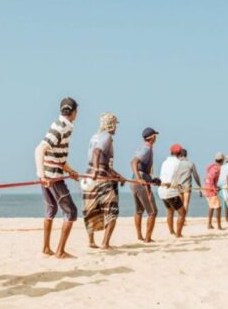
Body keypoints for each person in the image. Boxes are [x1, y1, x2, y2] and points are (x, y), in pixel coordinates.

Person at [34, 97, 80, 258]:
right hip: (52, 177)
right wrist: (42, 175)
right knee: (71, 212)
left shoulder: (60, 125)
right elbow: (40, 149)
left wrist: (70, 170)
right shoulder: (62, 127)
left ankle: (46, 248)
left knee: (51, 209)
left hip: (50, 174)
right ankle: (60, 251)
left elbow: (56, 155)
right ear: (74, 112)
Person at [82, 112, 125, 249]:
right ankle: (105, 243)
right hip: (99, 175)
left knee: (91, 208)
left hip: (88, 175)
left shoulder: (94, 136)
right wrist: (96, 170)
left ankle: (91, 242)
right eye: (115, 125)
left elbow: (104, 163)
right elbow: (97, 153)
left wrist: (118, 177)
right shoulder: (107, 137)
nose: (116, 128)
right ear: (110, 125)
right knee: (112, 209)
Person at [130, 127, 160, 243]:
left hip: (136, 180)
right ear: (152, 137)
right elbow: (134, 162)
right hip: (139, 180)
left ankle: (139, 236)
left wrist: (152, 180)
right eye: (155, 136)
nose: (156, 138)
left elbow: (139, 166)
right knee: (153, 211)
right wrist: (139, 178)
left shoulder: (142, 147)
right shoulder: (147, 148)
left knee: (139, 211)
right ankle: (147, 238)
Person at [157, 144, 188, 238]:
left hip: (161, 191)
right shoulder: (178, 163)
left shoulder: (165, 162)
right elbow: (175, 177)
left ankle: (171, 232)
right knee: (182, 213)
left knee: (170, 211)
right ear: (179, 153)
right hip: (170, 190)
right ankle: (178, 234)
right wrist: (181, 188)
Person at [171, 148, 202, 220]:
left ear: (179, 155)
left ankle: (179, 217)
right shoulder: (190, 163)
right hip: (187, 186)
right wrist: (199, 185)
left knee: (180, 204)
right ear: (186, 155)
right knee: (185, 203)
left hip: (178, 185)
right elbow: (195, 175)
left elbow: (173, 175)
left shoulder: (176, 163)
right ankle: (183, 219)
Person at [203, 153, 224, 230]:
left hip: (207, 188)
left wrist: (215, 186)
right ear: (222, 160)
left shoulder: (212, 166)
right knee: (218, 208)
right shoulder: (217, 168)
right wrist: (214, 188)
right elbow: (211, 178)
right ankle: (219, 226)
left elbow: (207, 178)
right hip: (211, 190)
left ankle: (209, 224)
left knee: (211, 207)